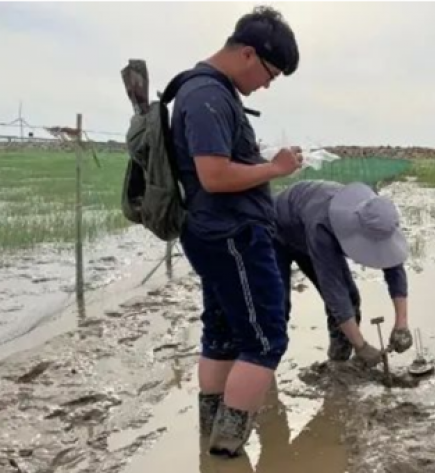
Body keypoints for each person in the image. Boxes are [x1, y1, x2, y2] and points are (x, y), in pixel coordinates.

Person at [170, 6, 302, 457]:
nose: (267, 84)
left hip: (212, 232)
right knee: (266, 339)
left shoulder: (203, 90)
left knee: (222, 332)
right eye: (270, 74)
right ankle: (227, 445)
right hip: (233, 235)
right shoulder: (209, 97)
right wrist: (275, 169)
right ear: (248, 53)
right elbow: (214, 176)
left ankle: (212, 433)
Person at [273, 180, 414, 366]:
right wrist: (361, 346)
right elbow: (334, 291)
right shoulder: (322, 226)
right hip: (275, 232)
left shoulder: (380, 218)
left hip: (305, 226)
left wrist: (401, 324)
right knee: (276, 310)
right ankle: (262, 370)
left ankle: (338, 363)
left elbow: (394, 266)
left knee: (351, 299)